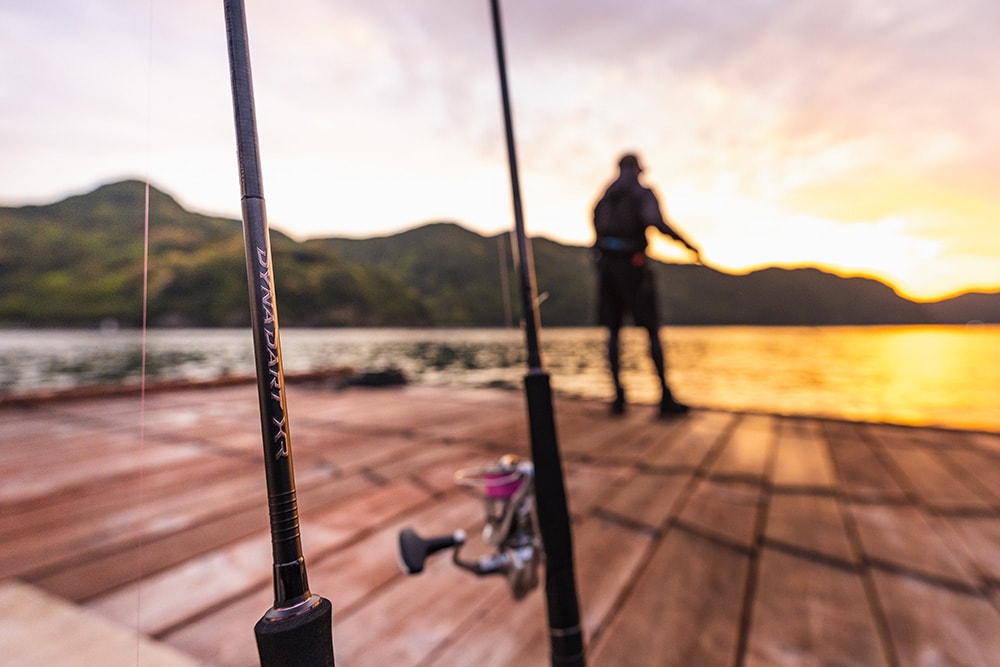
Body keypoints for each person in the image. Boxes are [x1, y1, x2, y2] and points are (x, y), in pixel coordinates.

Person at [592, 152, 700, 417]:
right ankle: (665, 396)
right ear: (638, 170)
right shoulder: (642, 193)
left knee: (613, 332)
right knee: (651, 329)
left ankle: (618, 398)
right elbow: (655, 221)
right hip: (633, 265)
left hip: (606, 266)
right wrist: (686, 244)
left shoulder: (605, 198)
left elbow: (596, 227)